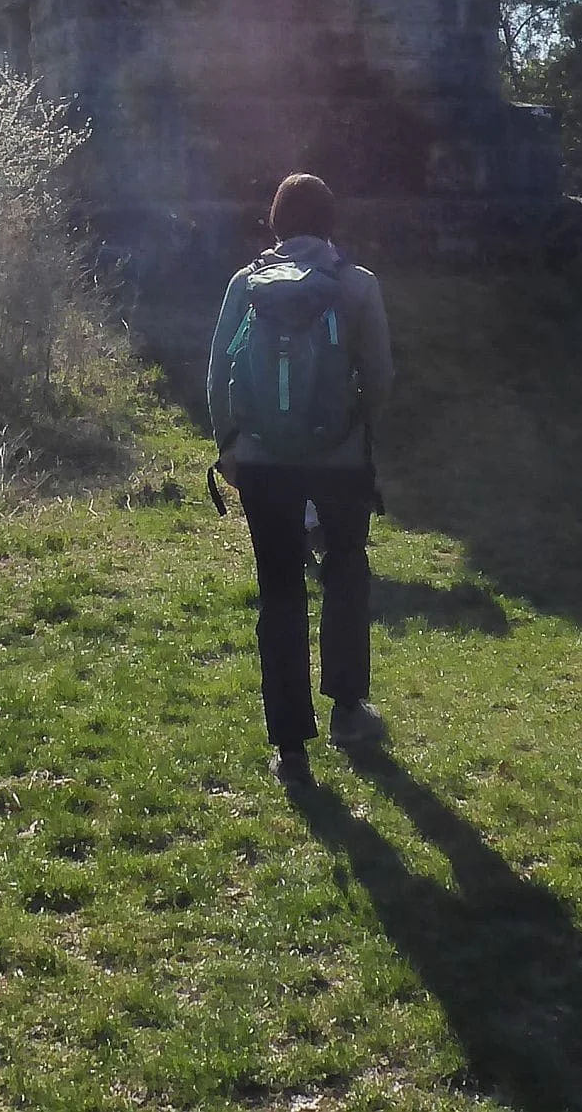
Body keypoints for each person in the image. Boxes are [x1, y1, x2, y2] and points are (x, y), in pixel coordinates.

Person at [208, 172, 393, 786]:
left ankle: (290, 747)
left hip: (262, 460)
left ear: (275, 223)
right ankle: (347, 709)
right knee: (345, 573)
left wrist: (231, 444)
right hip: (339, 458)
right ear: (331, 224)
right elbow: (382, 374)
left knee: (280, 592)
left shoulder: (245, 284)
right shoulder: (358, 285)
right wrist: (357, 430)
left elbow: (217, 371)